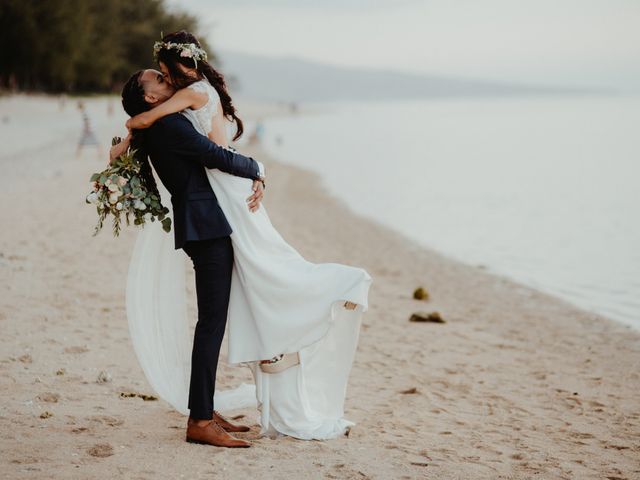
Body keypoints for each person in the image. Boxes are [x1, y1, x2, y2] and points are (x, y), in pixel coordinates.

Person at [118, 31, 372, 447]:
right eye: (158, 82)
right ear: (148, 98)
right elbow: (215, 155)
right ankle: (199, 421)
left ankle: (205, 409)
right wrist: (257, 166)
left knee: (213, 322)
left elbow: (142, 140)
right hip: (207, 227)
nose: (166, 84)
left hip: (207, 224)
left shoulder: (161, 124)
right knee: (211, 324)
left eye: (164, 77)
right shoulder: (168, 128)